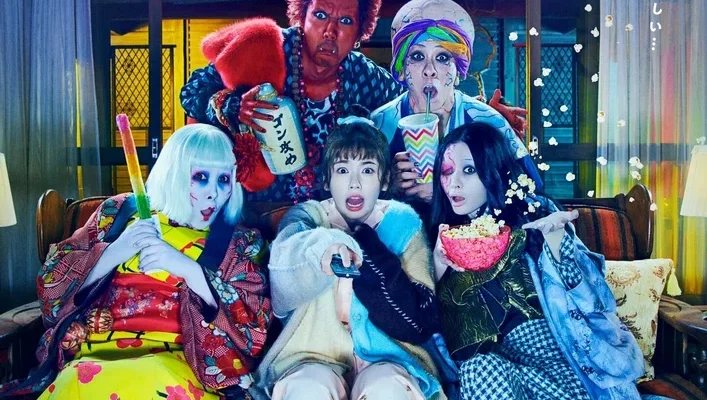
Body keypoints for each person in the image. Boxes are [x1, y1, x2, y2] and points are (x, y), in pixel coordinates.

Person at [0, 124, 272, 399]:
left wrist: (191, 271)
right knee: (78, 380)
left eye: (223, 179)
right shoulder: (116, 214)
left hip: (177, 364)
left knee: (152, 382)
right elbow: (50, 289)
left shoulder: (239, 243)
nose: (213, 192)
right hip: (92, 354)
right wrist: (113, 252)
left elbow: (254, 330)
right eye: (201, 177)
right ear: (174, 173)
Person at [180, 0, 524, 204]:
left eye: (345, 21)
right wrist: (231, 106)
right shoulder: (267, 50)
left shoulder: (364, 76)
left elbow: (420, 91)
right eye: (320, 15)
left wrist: (481, 112)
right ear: (302, 15)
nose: (330, 32)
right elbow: (192, 91)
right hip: (255, 210)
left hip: (335, 217)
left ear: (360, 31)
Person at [427, 122, 645, 399]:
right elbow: (417, 320)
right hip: (494, 374)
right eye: (447, 171)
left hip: (557, 355)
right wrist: (436, 266)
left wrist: (557, 241)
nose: (454, 183)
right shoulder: (436, 238)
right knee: (479, 368)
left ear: (494, 168)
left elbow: (594, 300)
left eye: (469, 170)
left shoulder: (534, 214)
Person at [252, 107, 445, 400]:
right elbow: (282, 284)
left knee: (387, 389)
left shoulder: (403, 222)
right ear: (327, 180)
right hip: (312, 354)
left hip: (392, 356)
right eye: (342, 170)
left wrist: (369, 249)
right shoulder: (307, 218)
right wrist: (323, 248)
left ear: (384, 180)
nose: (354, 183)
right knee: (308, 390)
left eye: (367, 170)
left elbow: (421, 315)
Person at [371, 0, 539, 209]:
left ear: (459, 71)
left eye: (442, 57)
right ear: (402, 70)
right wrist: (389, 188)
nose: (430, 70)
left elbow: (531, 192)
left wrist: (447, 191)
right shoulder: (379, 125)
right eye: (417, 56)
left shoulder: (489, 122)